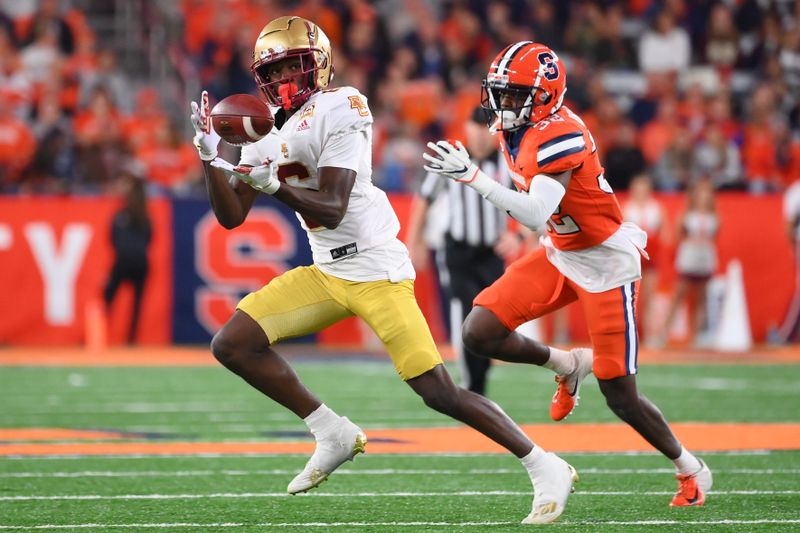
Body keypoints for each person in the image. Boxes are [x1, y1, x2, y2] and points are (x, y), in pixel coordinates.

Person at [189, 17, 576, 524]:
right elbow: (230, 217)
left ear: (318, 66)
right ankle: (332, 432)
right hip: (326, 271)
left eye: (292, 66)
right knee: (233, 344)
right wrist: (212, 159)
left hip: (376, 269)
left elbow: (330, 205)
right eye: (274, 70)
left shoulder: (341, 106)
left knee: (438, 390)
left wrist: (271, 185)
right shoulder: (264, 130)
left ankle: (545, 464)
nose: (283, 80)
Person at [422, 41, 712, 507]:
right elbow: (537, 212)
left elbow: (538, 209)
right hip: (560, 250)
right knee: (479, 331)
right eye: (500, 92)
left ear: (543, 97)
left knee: (621, 395)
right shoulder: (513, 128)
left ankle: (689, 467)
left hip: (604, 263)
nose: (502, 104)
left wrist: (474, 178)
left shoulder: (560, 134)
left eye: (514, 94)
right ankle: (566, 364)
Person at [407, 106, 528, 396]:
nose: (480, 136)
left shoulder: (506, 163)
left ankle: (478, 379)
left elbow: (530, 204)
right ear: (466, 128)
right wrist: (415, 242)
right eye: (475, 128)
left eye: (486, 130)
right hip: (458, 251)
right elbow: (424, 199)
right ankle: (473, 385)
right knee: (468, 311)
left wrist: (520, 236)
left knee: (491, 318)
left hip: (491, 253)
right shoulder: (454, 157)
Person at [659, 178, 720, 348]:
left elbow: (715, 236)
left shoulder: (714, 215)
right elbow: (678, 236)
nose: (704, 196)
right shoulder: (687, 214)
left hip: (705, 256)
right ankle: (663, 333)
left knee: (702, 297)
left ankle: (697, 335)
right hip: (689, 255)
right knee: (679, 294)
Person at [103, 172, 151, 345]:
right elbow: (150, 238)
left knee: (108, 297)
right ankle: (131, 339)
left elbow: (112, 238)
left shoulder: (121, 215)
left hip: (123, 261)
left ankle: (99, 333)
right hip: (141, 262)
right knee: (136, 302)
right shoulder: (145, 215)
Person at [622, 173, 665, 346]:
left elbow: (662, 231)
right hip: (634, 256)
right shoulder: (628, 208)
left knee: (650, 296)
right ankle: (632, 334)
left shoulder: (656, 208)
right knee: (632, 298)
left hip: (651, 256)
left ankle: (650, 334)